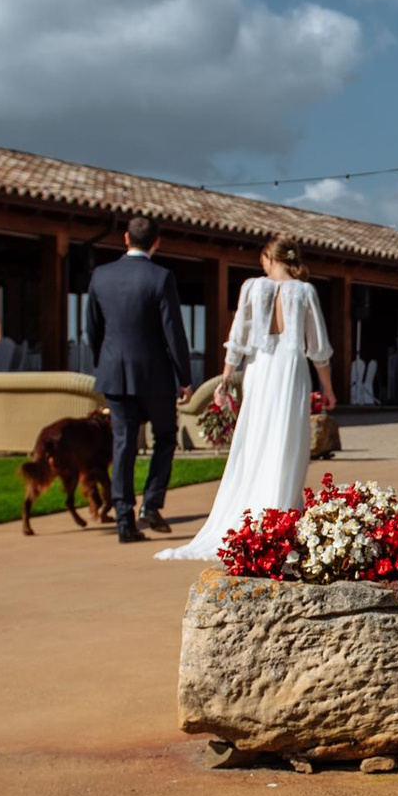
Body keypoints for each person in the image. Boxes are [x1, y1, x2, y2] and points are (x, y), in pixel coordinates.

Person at [157, 236, 335, 562]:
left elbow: (237, 337)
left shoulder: (252, 287)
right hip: (291, 370)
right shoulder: (305, 291)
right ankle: (282, 512)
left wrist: (226, 375)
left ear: (270, 257)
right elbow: (318, 347)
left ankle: (259, 509)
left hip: (261, 368)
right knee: (286, 439)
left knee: (255, 437)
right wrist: (327, 387)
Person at [83, 216, 194, 544]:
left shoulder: (100, 275)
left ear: (125, 238)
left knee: (123, 444)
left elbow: (92, 328)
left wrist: (103, 361)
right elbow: (173, 331)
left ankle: (124, 519)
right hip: (154, 375)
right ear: (156, 242)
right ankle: (151, 504)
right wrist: (184, 377)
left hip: (114, 373)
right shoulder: (161, 277)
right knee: (165, 437)